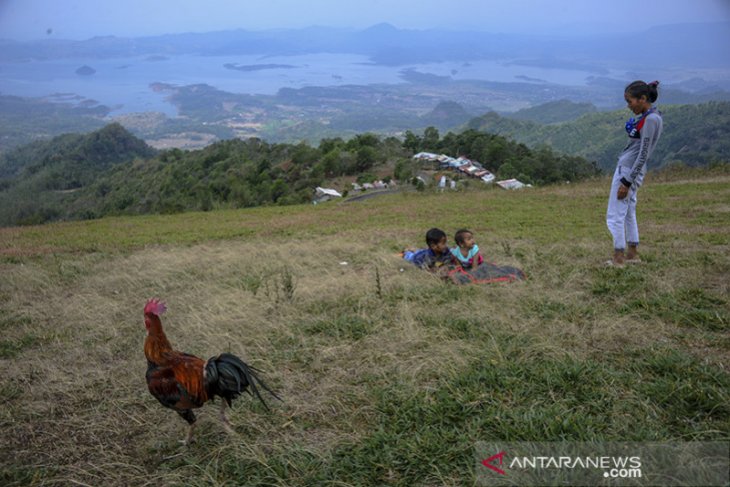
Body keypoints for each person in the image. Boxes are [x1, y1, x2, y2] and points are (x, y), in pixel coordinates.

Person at [606, 80, 663, 267]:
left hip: (628, 170)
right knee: (629, 211)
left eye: (630, 101)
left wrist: (627, 182)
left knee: (615, 214)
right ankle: (632, 253)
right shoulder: (652, 116)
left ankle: (618, 257)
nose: (628, 106)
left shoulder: (651, 120)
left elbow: (643, 153)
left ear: (642, 99)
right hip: (632, 169)